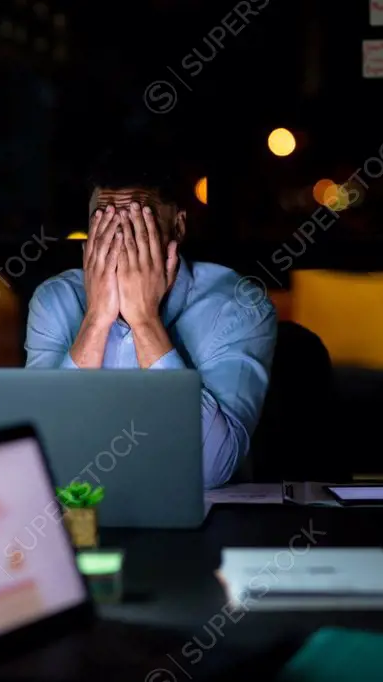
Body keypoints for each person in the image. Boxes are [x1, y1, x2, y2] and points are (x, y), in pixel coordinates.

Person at [24, 140, 277, 488]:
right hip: (89, 512)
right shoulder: (56, 300)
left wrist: (144, 321)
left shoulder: (238, 306)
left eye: (137, 224)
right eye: (104, 222)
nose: (119, 240)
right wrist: (96, 319)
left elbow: (210, 469)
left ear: (178, 226)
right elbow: (41, 458)